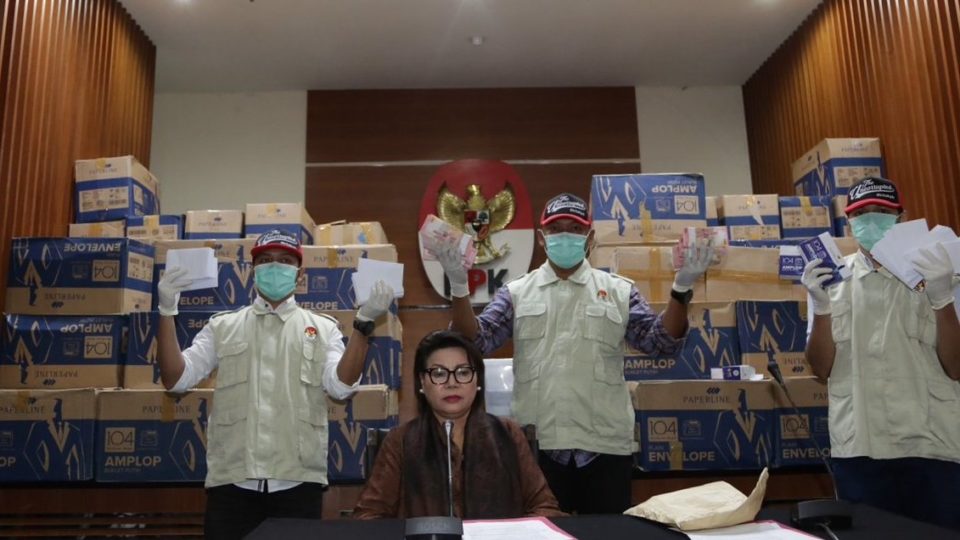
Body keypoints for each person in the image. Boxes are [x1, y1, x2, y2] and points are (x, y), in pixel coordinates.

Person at [436, 192, 712, 514]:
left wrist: (681, 288)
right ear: (542, 238)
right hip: (538, 450)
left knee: (606, 535)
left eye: (575, 229)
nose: (565, 236)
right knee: (541, 534)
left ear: (590, 238)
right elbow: (474, 343)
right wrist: (459, 286)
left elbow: (660, 343)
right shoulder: (517, 293)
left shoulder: (619, 292)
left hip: (605, 449)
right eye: (556, 230)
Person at [156, 229, 395, 539]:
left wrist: (363, 325)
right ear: (253, 270)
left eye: (285, 261)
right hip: (233, 481)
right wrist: (166, 311)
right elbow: (176, 380)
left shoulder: (322, 329)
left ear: (300, 273)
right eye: (265, 260)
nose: (274, 267)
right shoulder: (223, 326)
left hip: (297, 482)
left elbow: (341, 386)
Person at [802, 176, 960, 529]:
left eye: (882, 211)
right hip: (860, 447)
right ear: (848, 222)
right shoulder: (830, 281)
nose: (871, 220)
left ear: (902, 217)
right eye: (861, 214)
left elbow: (956, 366)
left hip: (932, 445)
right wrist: (821, 307)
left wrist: (942, 299)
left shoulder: (942, 271)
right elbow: (820, 369)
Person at [353, 330, 564, 519]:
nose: (452, 383)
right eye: (439, 374)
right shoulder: (400, 441)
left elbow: (545, 508)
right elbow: (368, 516)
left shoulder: (508, 433)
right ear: (422, 383)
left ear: (477, 381)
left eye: (463, 372)